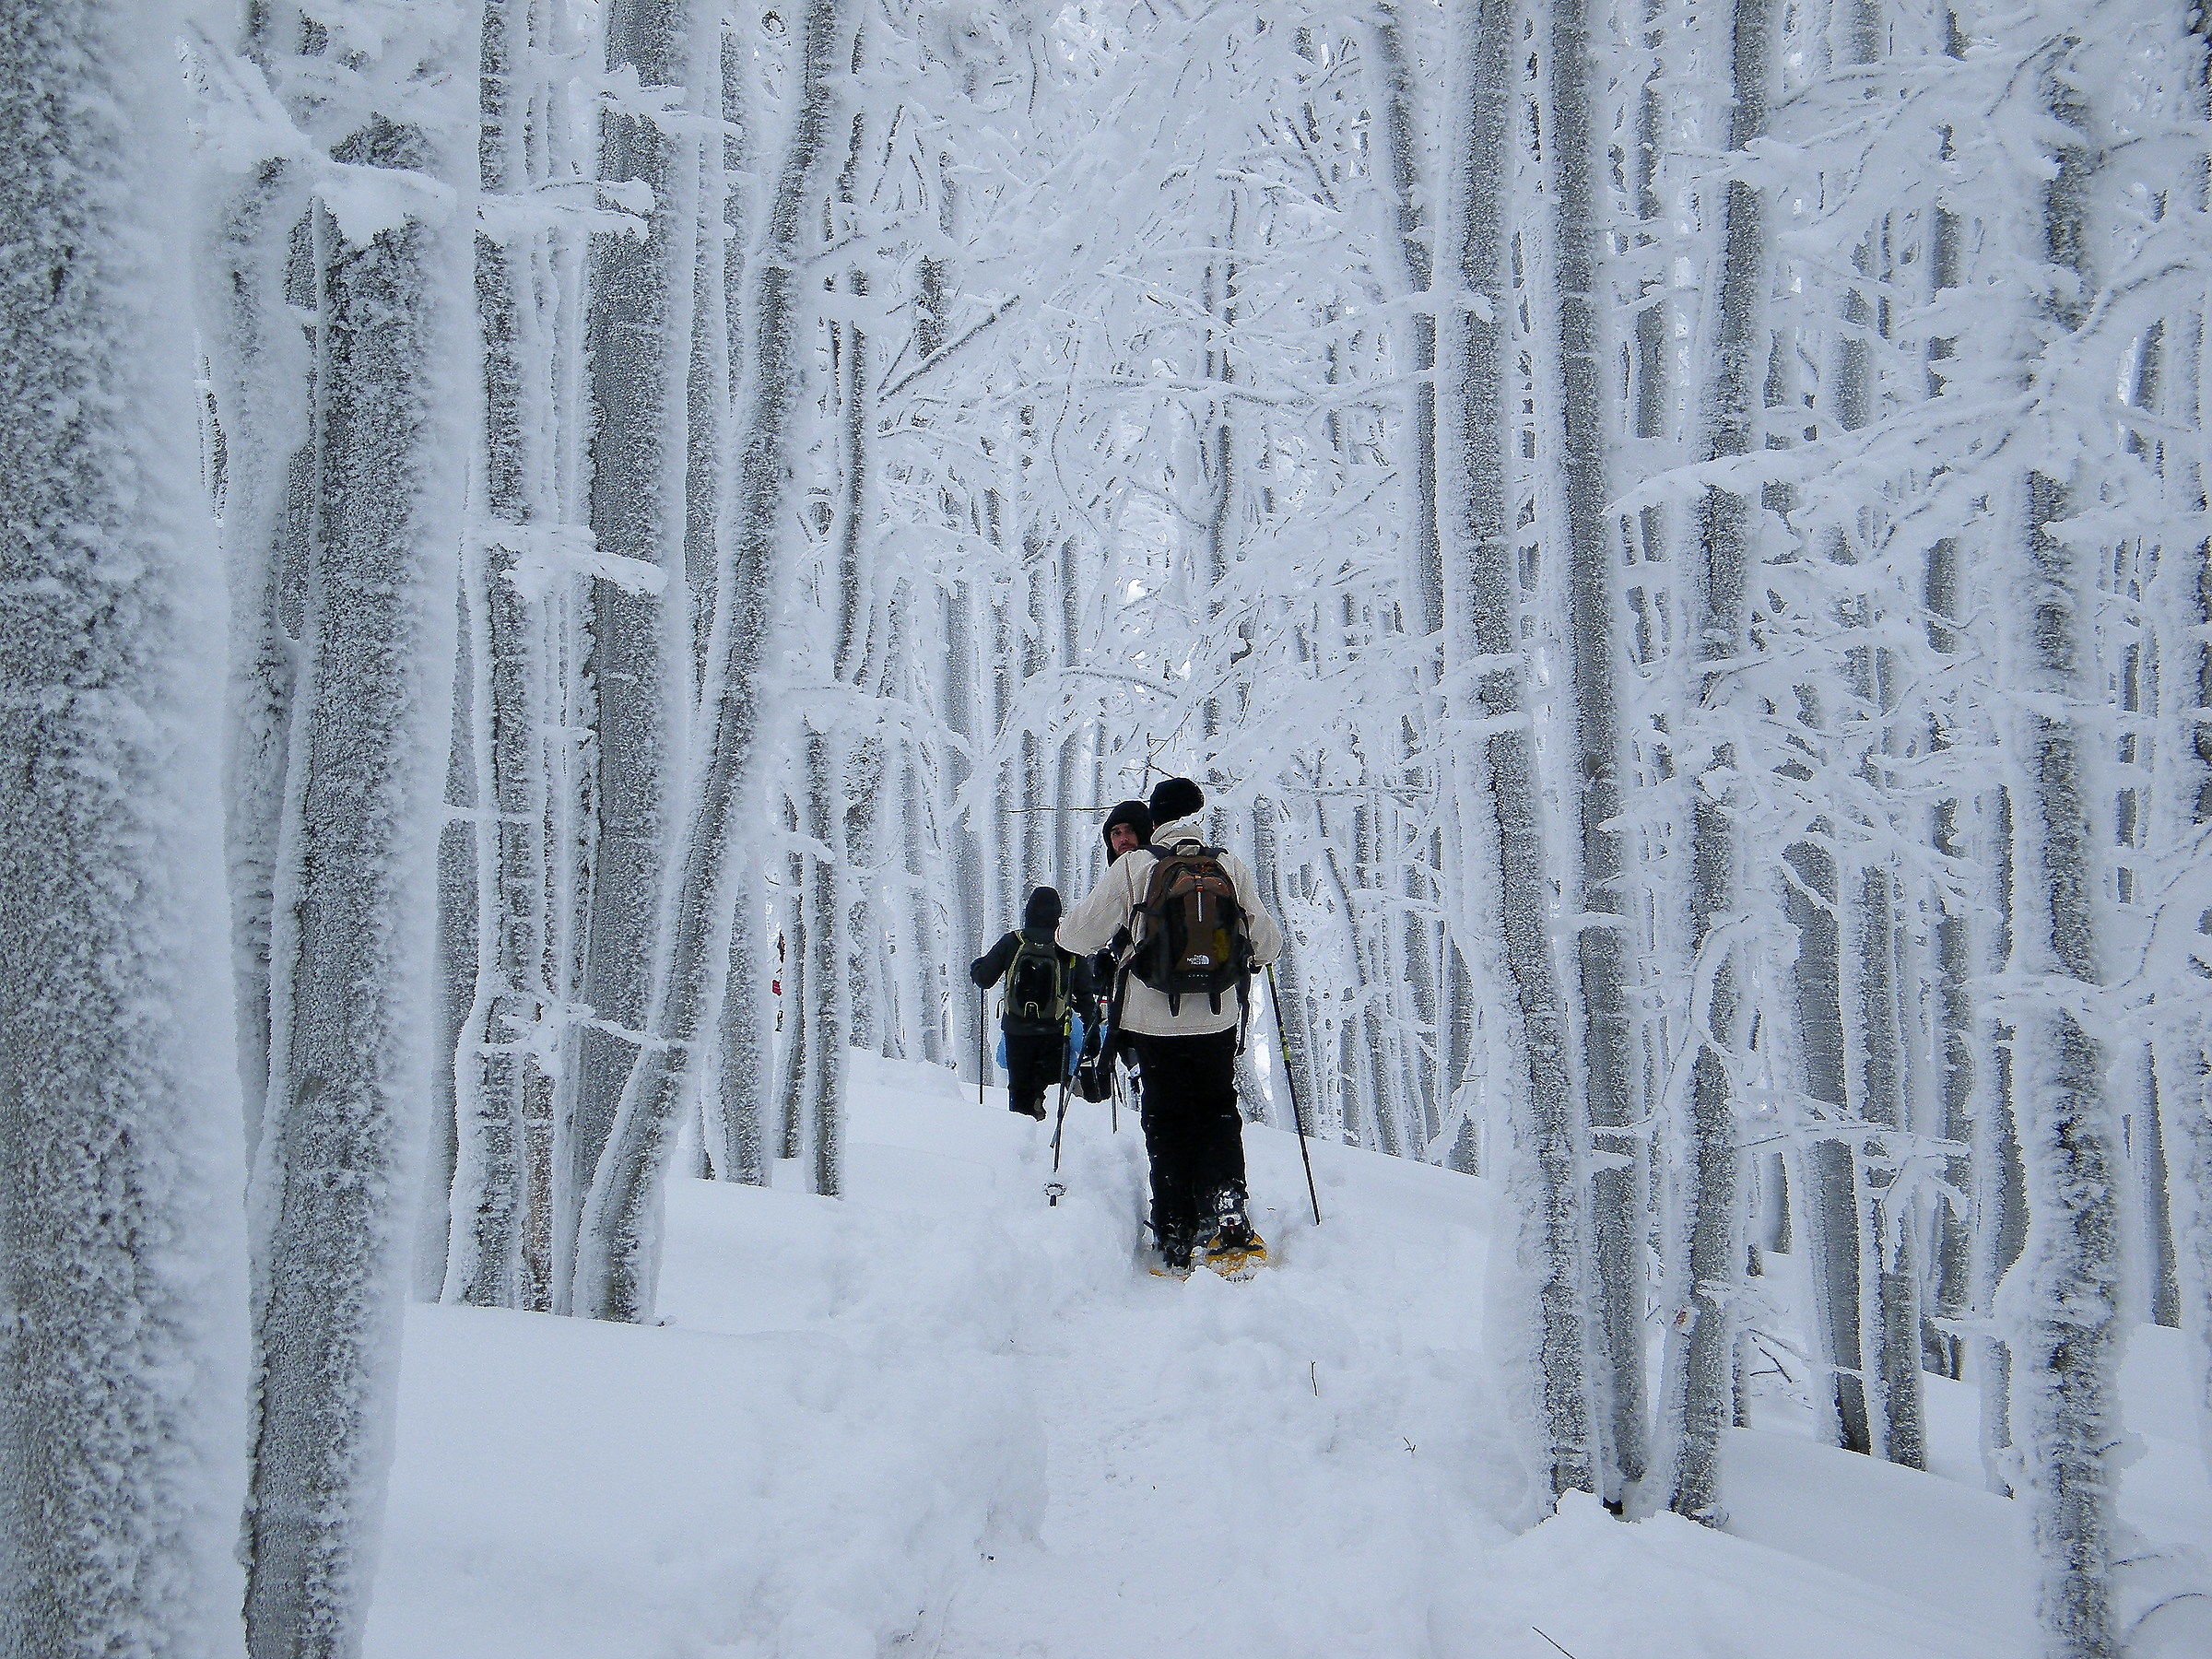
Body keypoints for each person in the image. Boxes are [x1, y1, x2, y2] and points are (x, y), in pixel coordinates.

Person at [1057, 777, 1283, 1274]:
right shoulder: (1227, 865)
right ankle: (1227, 1211)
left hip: (1152, 1024)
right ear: (1197, 818)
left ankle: (1175, 1224)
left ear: (1153, 822)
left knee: (1166, 1116)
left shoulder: (1138, 866)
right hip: (1217, 1021)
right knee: (1218, 1111)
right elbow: (1268, 944)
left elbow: (1078, 934)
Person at [971, 886, 1089, 1121]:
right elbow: (1085, 992)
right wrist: (1091, 1032)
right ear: (1058, 913)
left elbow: (984, 979)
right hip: (1054, 1030)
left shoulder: (1012, 942)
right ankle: (1054, 1134)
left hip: (1017, 1031)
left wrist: (976, 966)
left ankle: (1023, 1133)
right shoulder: (1068, 946)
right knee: (1054, 1082)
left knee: (1020, 1090)